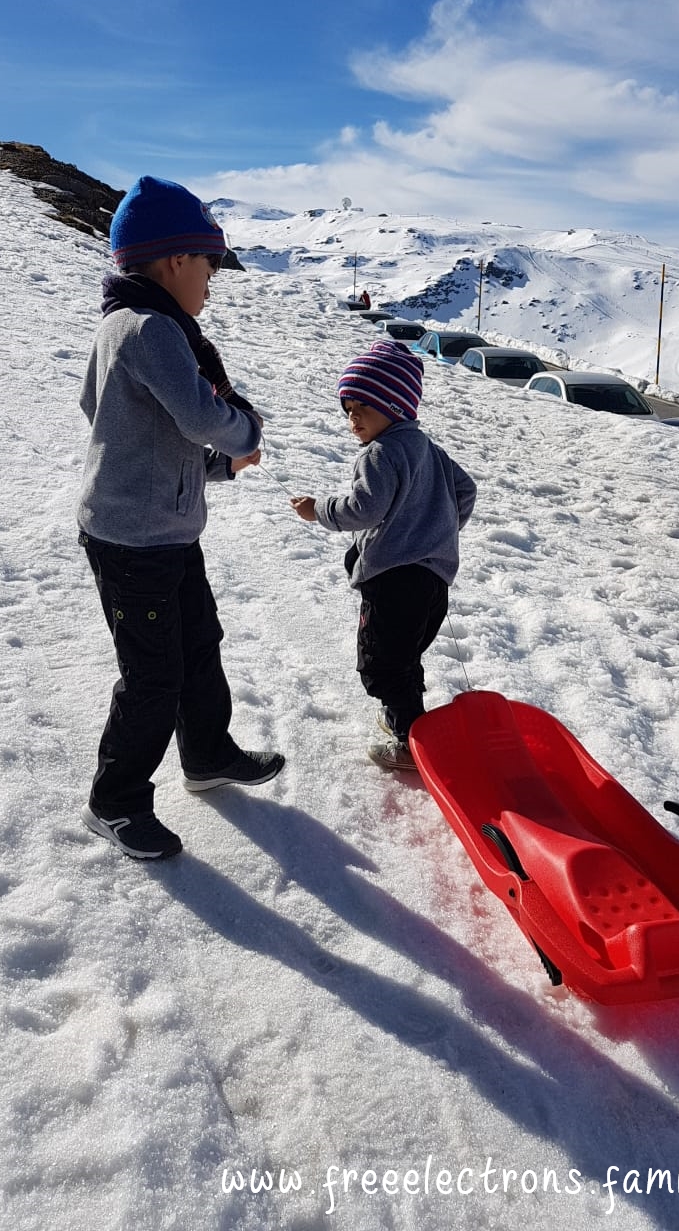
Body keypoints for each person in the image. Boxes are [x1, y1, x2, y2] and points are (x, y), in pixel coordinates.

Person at [77, 175, 284, 860]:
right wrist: (244, 433)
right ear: (174, 261)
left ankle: (206, 753)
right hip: (137, 542)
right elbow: (201, 417)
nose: (211, 282)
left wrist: (211, 470)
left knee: (199, 643)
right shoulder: (154, 328)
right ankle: (116, 801)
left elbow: (107, 414)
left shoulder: (118, 325)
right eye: (208, 265)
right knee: (154, 675)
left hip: (159, 531)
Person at [290, 341, 476, 771]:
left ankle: (410, 744)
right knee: (403, 658)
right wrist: (437, 532)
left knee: (382, 665)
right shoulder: (428, 448)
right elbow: (465, 492)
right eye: (348, 409)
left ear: (394, 405)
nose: (353, 419)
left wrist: (317, 510)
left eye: (363, 408)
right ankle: (408, 723)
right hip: (433, 582)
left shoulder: (381, 453)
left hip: (393, 582)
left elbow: (364, 509)